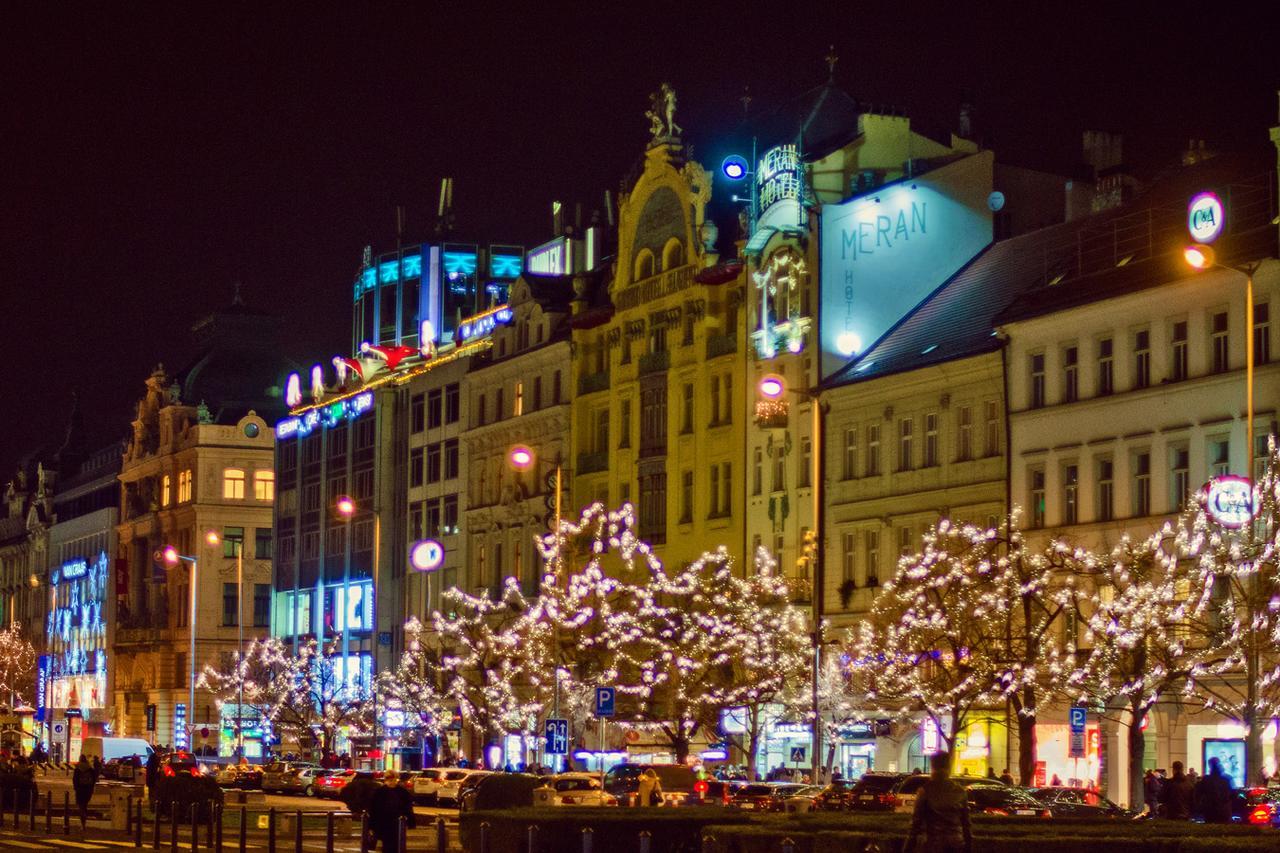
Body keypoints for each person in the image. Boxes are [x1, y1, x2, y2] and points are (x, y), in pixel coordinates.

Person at [905, 752, 972, 853]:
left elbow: (915, 825)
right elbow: (966, 824)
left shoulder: (925, 790)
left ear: (932, 767)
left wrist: (907, 848)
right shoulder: (960, 790)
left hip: (932, 844)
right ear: (949, 766)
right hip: (956, 844)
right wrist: (968, 846)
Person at [367, 770, 415, 853]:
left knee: (397, 843)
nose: (392, 782)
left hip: (397, 822)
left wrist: (410, 822)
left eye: (394, 780)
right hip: (384, 822)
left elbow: (408, 807)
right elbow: (373, 809)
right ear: (386, 780)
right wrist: (371, 825)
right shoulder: (379, 792)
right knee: (387, 844)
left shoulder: (402, 792)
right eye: (390, 780)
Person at [1195, 757, 1234, 823]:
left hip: (1210, 812)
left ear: (1210, 766)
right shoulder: (1227, 779)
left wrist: (1200, 807)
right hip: (1224, 812)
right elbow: (1232, 795)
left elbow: (1198, 794)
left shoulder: (1206, 780)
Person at [71, 754, 98, 830]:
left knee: (81, 806)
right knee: (85, 805)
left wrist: (76, 788)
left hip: (80, 789)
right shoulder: (90, 769)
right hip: (88, 789)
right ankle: (84, 821)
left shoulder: (78, 769)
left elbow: (75, 780)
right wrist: (91, 789)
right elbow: (93, 780)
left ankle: (83, 823)